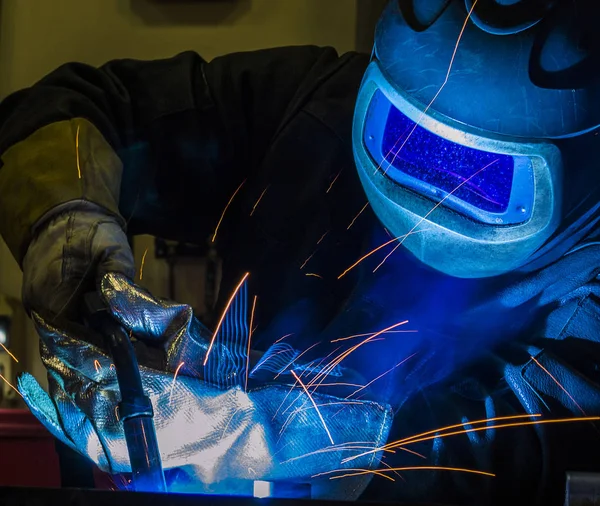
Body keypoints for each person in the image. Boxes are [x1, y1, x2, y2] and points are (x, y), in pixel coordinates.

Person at [1, 0, 600, 503]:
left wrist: (293, 436)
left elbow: (512, 447)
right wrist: (70, 236)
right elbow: (82, 105)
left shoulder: (589, 292)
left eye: (485, 176)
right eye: (406, 139)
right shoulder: (317, 105)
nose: (436, 185)